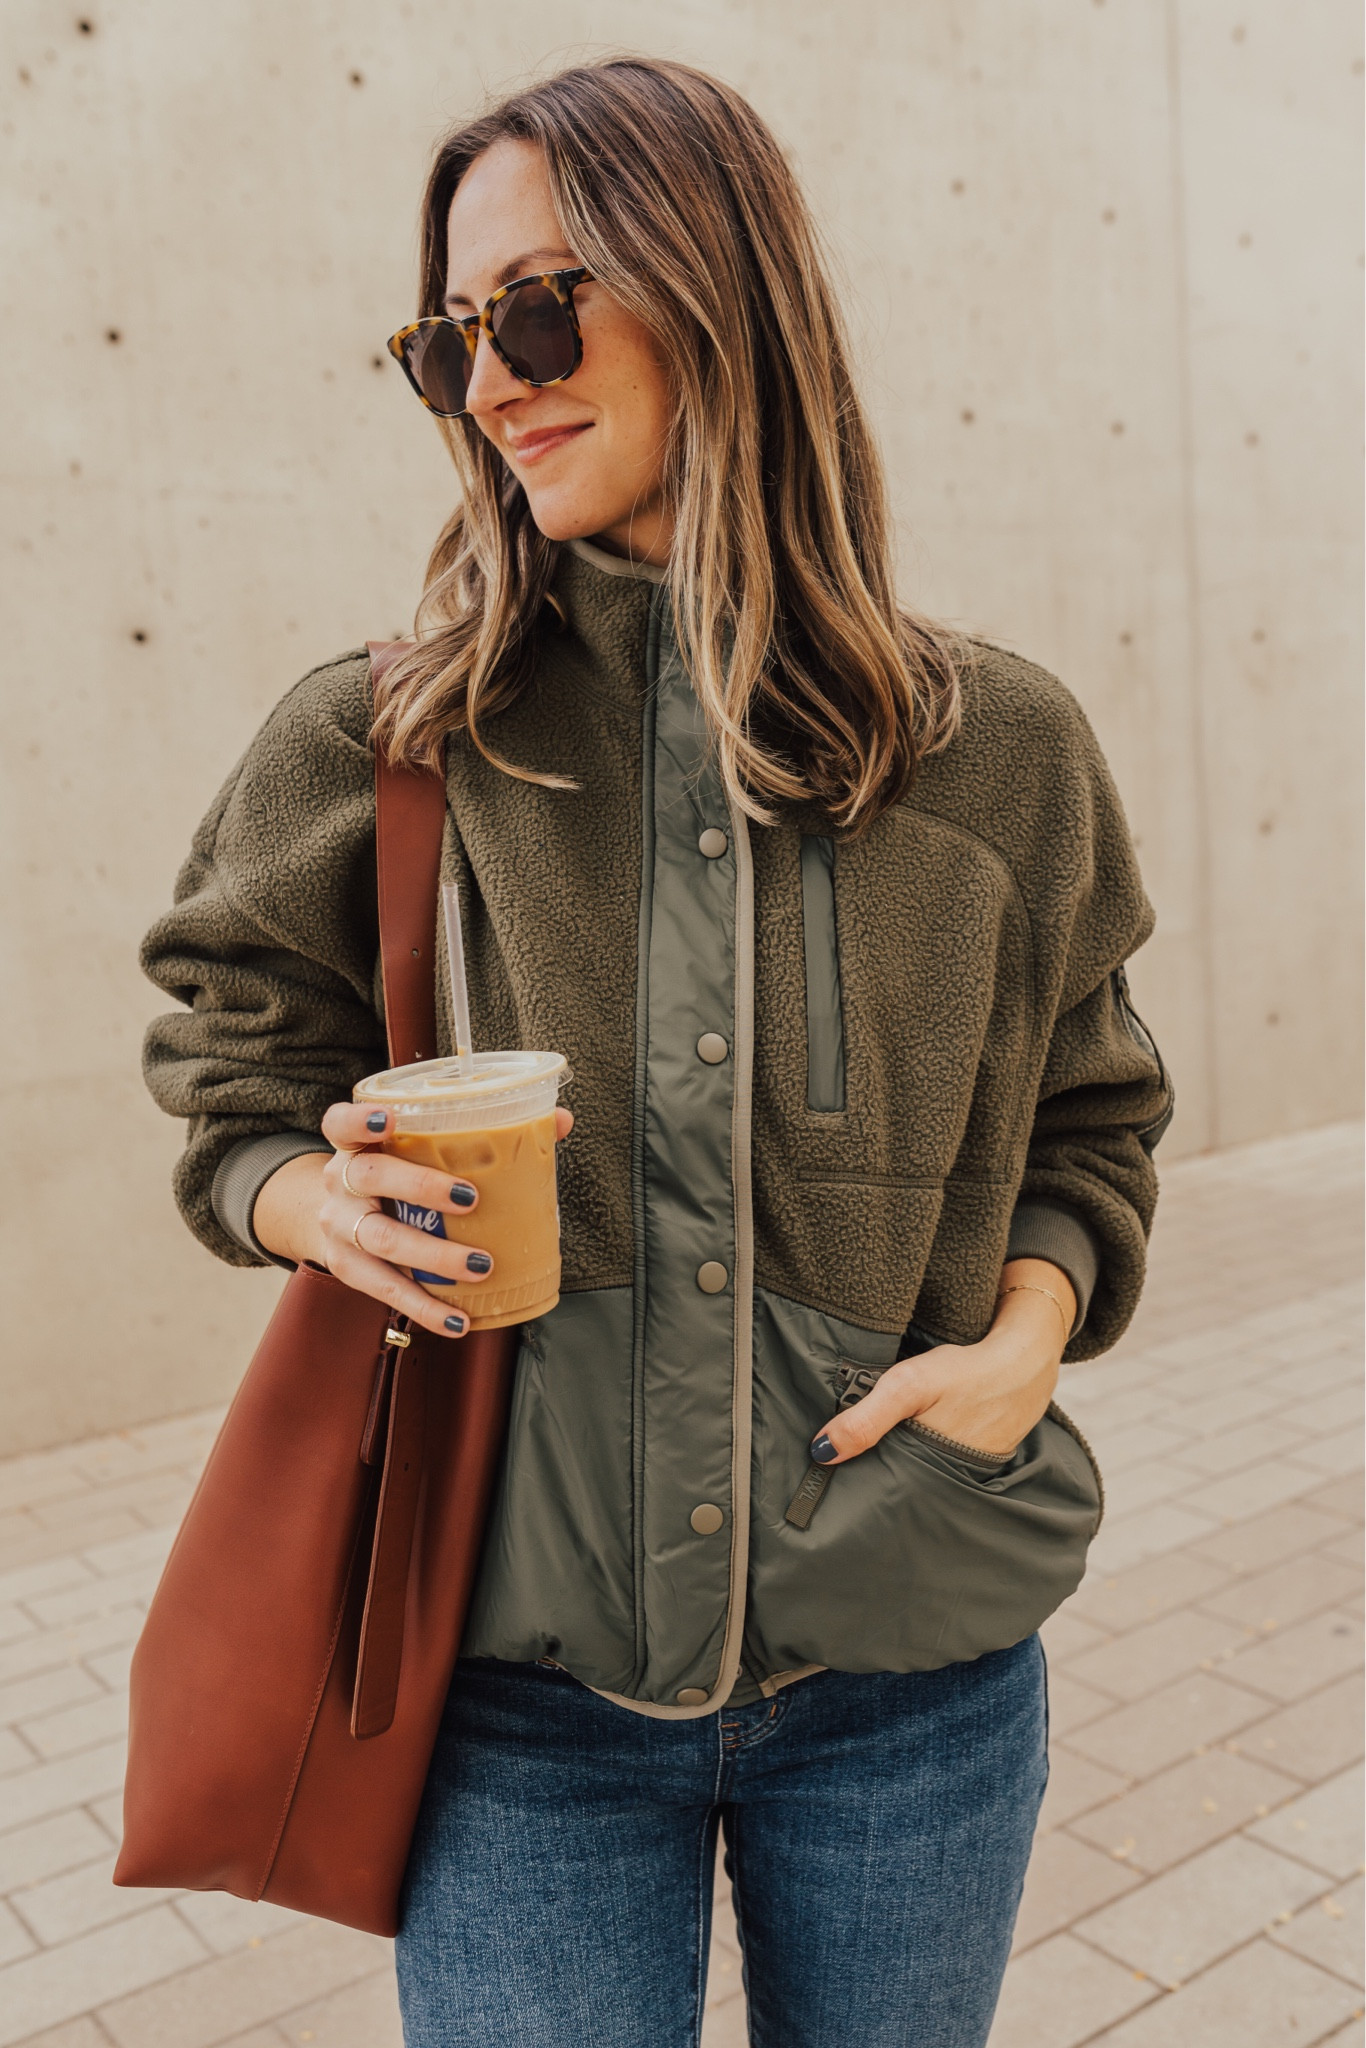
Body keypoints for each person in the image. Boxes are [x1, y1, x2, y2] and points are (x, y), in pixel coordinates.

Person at [140, 56, 1173, 2048]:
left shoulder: (1002, 750)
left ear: (722, 287)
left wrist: (1031, 1332)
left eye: (539, 304)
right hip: (514, 1700)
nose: (495, 375)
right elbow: (229, 1052)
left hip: (912, 1669)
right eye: (449, 340)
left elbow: (1091, 1114)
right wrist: (298, 1194)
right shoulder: (381, 738)